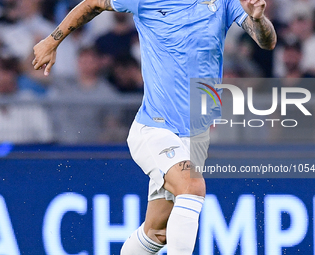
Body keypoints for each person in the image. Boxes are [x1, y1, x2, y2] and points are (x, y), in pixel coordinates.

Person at [32, 0, 276, 254]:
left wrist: (258, 19)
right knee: (192, 187)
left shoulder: (225, 2)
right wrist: (53, 40)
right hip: (155, 129)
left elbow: (267, 42)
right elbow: (93, 3)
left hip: (196, 135)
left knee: (157, 234)